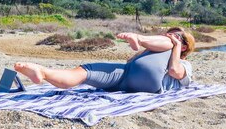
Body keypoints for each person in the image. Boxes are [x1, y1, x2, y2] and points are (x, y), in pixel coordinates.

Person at [14, 27, 195, 93]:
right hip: (125, 78)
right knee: (85, 71)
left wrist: (175, 45)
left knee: (166, 43)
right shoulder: (154, 52)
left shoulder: (185, 64)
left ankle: (138, 38)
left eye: (177, 35)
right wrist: (147, 49)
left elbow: (174, 71)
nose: (170, 35)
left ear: (185, 46)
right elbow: (130, 62)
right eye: (169, 33)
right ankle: (43, 72)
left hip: (150, 83)